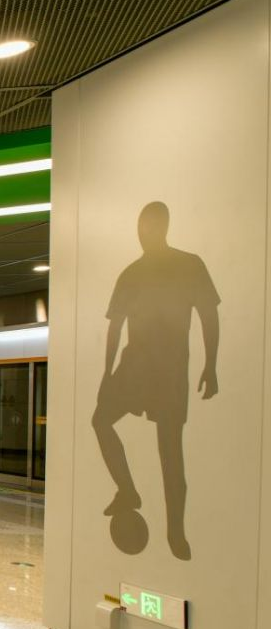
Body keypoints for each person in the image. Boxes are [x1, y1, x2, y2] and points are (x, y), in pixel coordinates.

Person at [93, 202, 219, 560]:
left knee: (170, 451)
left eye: (147, 227)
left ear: (163, 227)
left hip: (166, 368)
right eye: (140, 227)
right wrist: (107, 374)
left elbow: (209, 316)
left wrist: (211, 365)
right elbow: (115, 328)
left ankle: (174, 531)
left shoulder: (188, 265)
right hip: (139, 365)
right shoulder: (133, 273)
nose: (142, 234)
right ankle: (130, 492)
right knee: (103, 422)